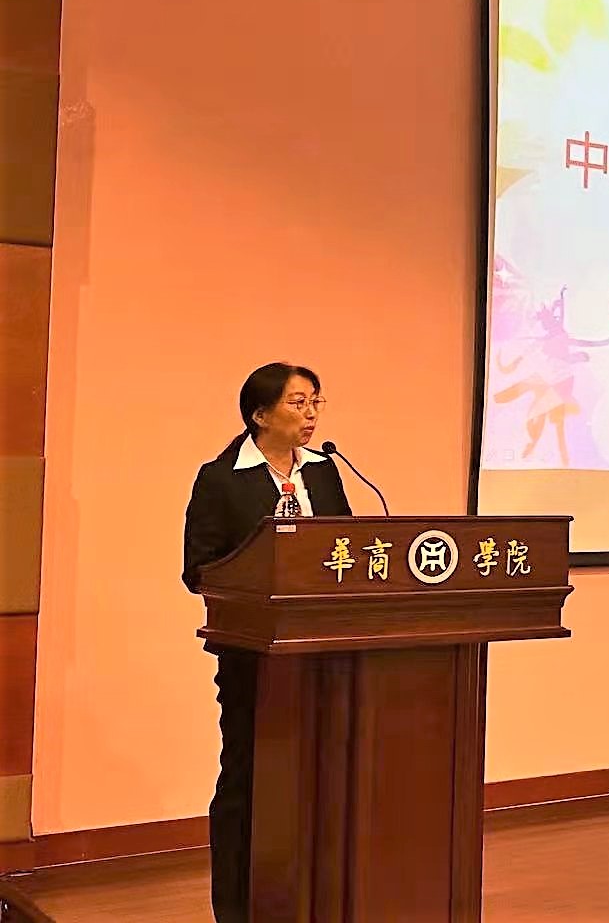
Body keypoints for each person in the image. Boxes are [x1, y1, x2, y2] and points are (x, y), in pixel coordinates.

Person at [182, 362, 351, 923]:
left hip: (324, 652)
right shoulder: (221, 479)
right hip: (253, 656)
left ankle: (313, 899)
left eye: (315, 402)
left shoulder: (324, 472)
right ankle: (236, 908)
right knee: (248, 777)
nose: (311, 414)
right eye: (298, 403)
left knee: (324, 779)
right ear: (260, 414)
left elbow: (348, 550)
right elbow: (199, 567)